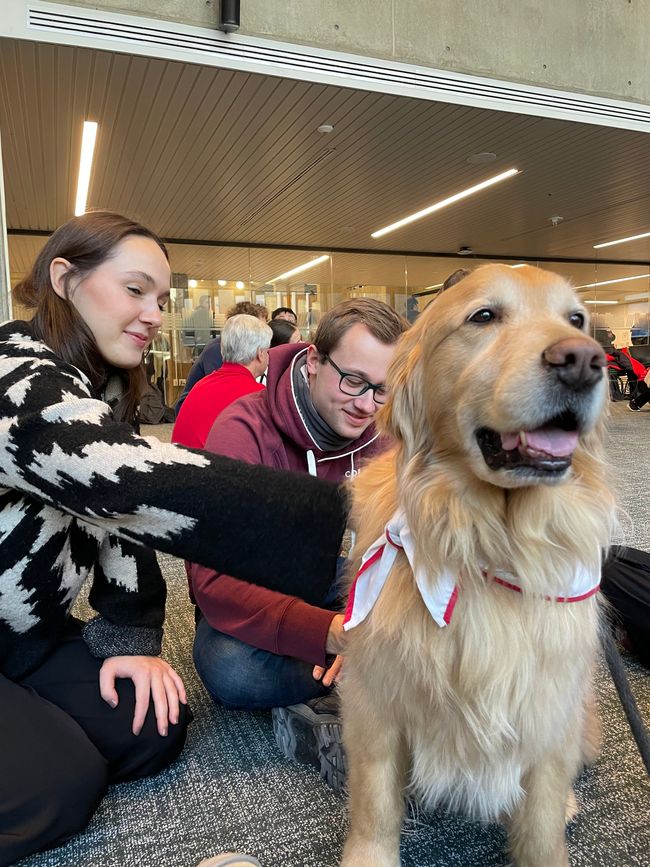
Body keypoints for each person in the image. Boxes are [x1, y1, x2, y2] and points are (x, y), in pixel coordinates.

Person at [0, 212, 348, 866]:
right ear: (65, 279)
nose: (156, 313)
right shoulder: (15, 372)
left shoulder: (101, 386)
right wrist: (351, 519)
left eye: (161, 298)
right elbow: (125, 477)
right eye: (135, 290)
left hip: (26, 633)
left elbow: (119, 530)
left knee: (154, 725)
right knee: (57, 785)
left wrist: (125, 644)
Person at [187, 298, 408, 714]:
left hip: (326, 573)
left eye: (382, 389)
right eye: (352, 381)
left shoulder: (381, 435)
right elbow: (213, 583)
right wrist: (331, 633)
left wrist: (365, 618)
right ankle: (375, 677)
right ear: (313, 361)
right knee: (229, 669)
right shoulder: (243, 430)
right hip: (247, 586)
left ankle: (355, 674)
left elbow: (401, 549)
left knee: (428, 605)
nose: (366, 405)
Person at [172, 314, 271, 449]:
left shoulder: (201, 385)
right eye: (267, 351)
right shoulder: (257, 394)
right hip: (213, 467)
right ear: (260, 354)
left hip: (183, 463)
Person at [175, 302, 268, 415]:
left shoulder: (230, 346)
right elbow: (226, 389)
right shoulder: (218, 348)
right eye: (260, 326)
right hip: (196, 409)